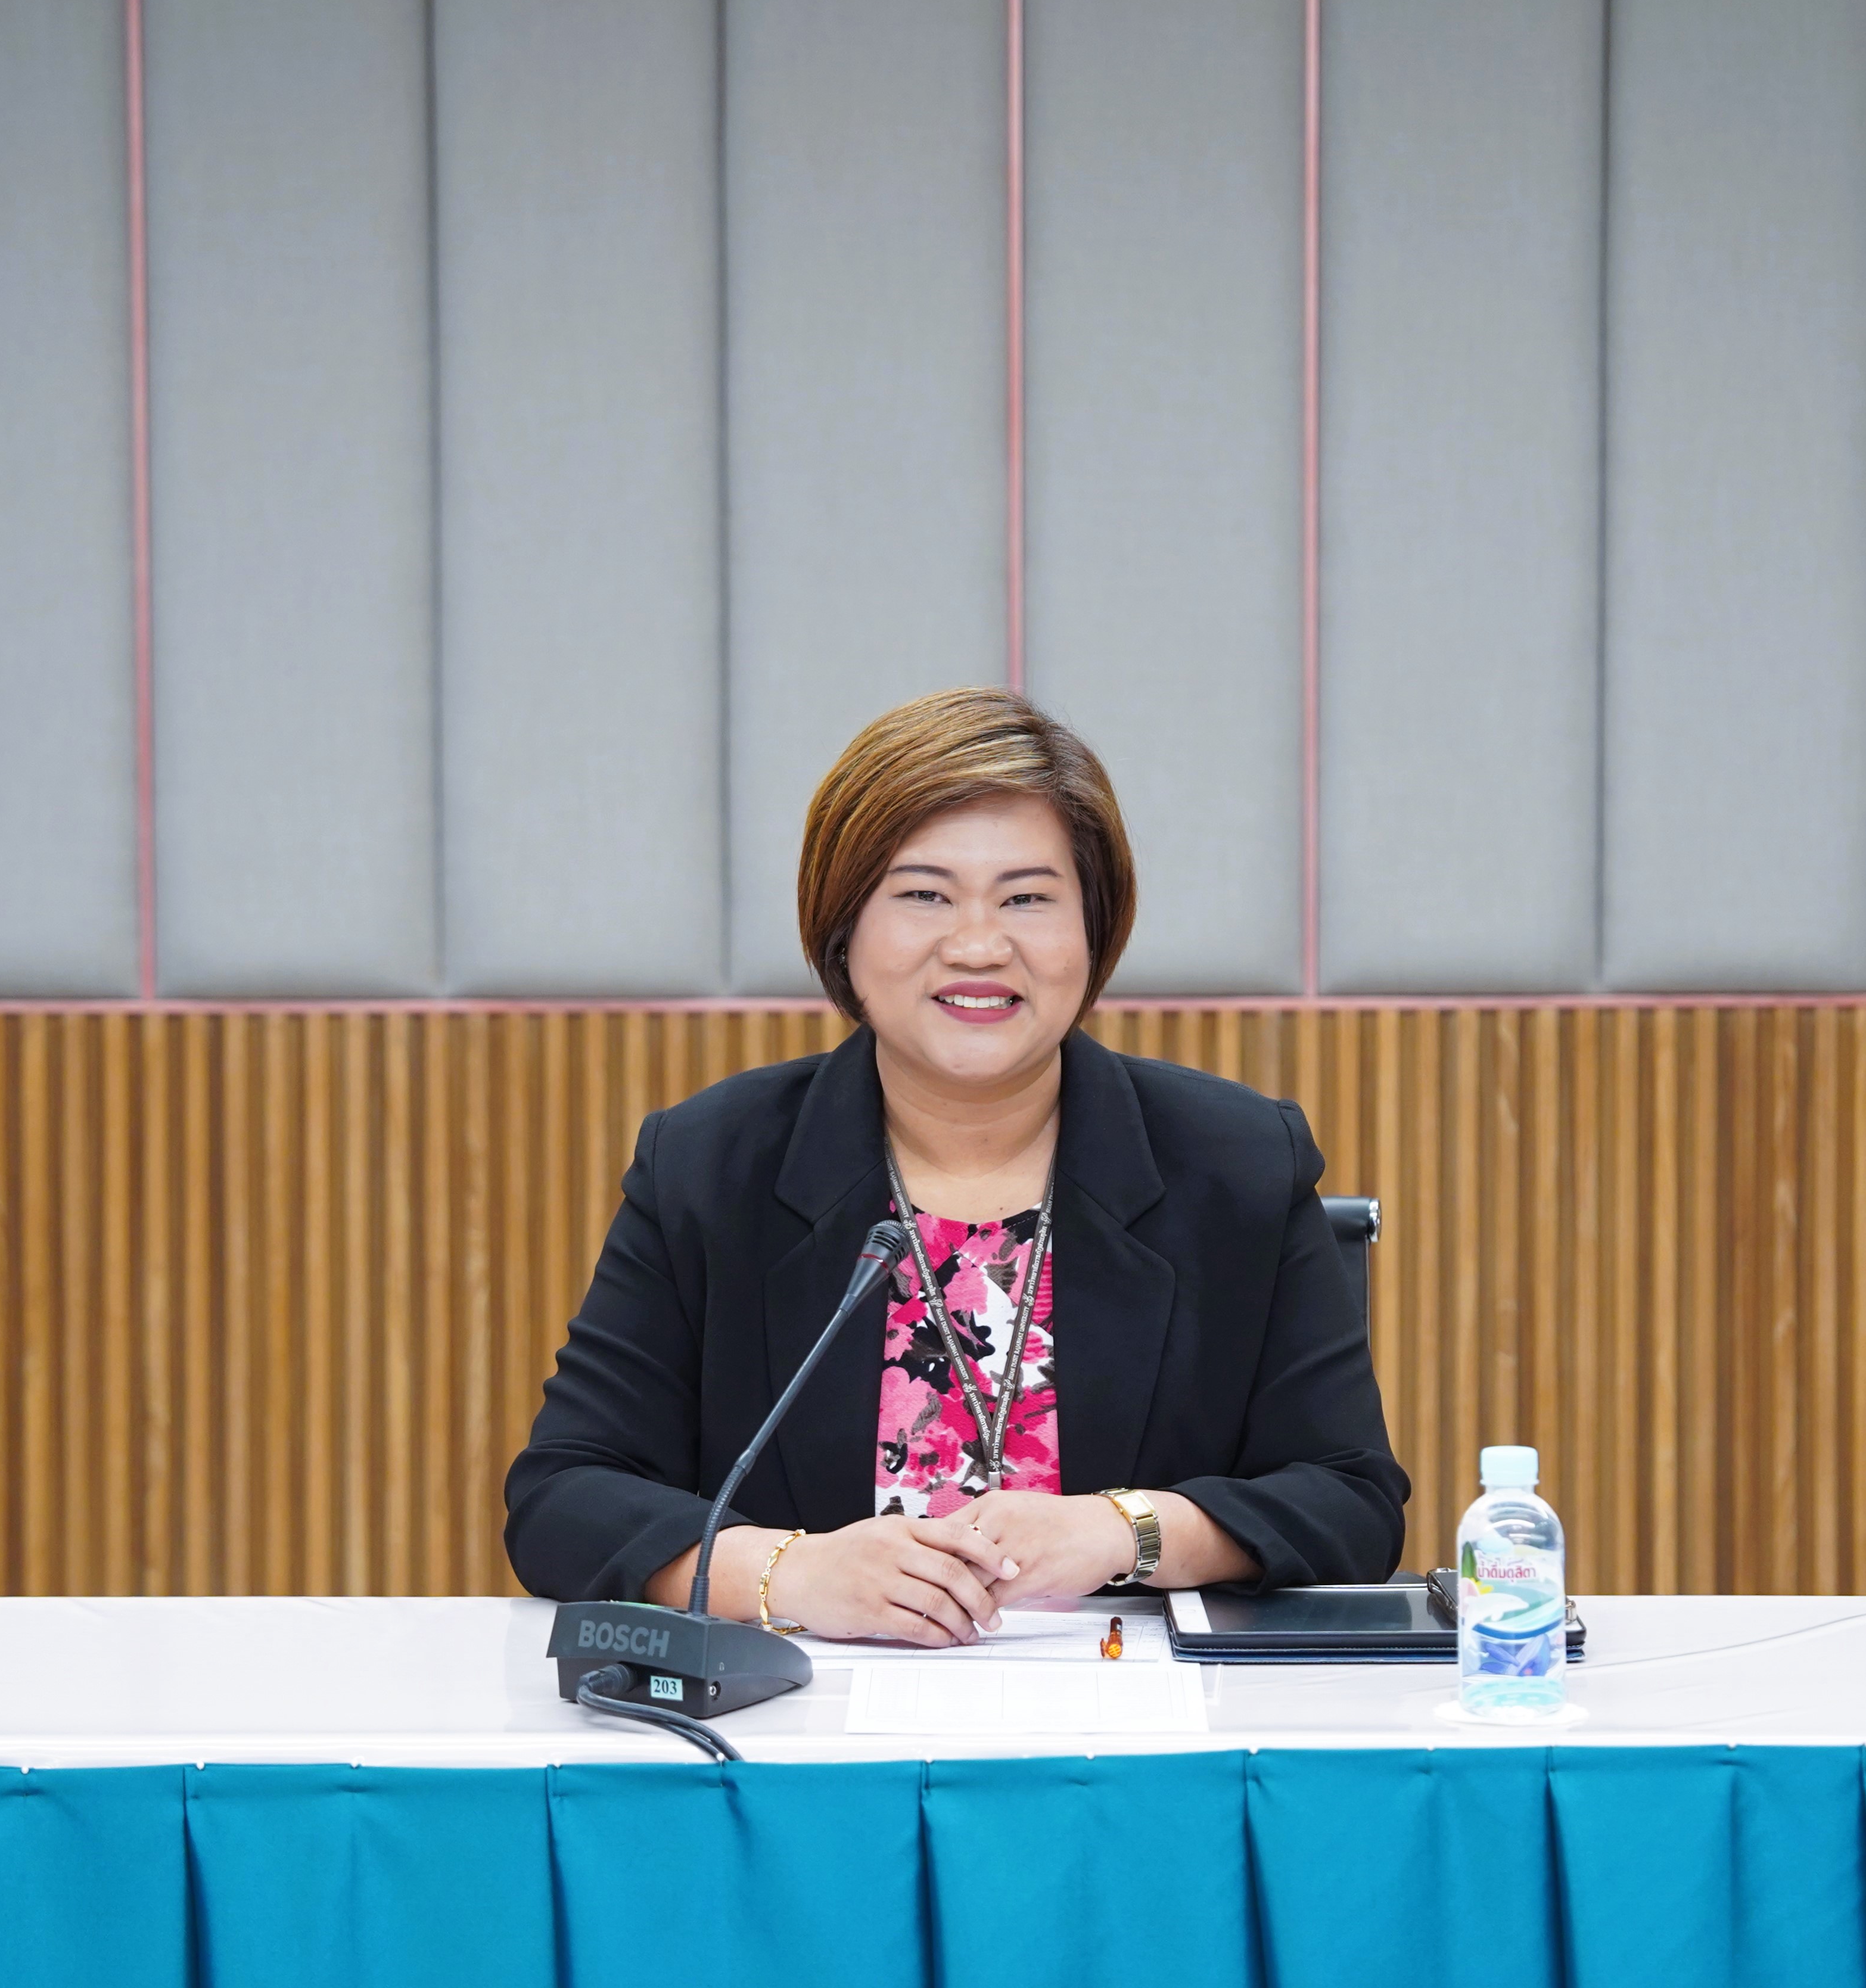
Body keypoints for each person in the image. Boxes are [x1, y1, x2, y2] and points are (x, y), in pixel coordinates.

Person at [502, 689, 1408, 1645]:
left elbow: (1349, 1501)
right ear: (844, 929)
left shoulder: (1234, 1163)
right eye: (923, 895)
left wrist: (1127, 1531)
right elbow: (564, 1497)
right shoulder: (711, 1166)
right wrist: (790, 1570)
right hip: (804, 1713)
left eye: (1027, 898)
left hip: (1135, 1710)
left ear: (1092, 929)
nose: (978, 945)